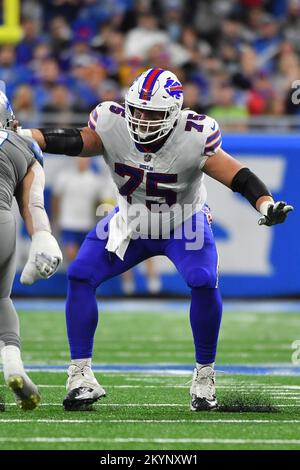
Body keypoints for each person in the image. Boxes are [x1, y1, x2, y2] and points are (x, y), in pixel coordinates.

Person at [19, 68, 293, 412]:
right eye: (138, 110)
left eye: (153, 113)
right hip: (131, 220)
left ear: (174, 113)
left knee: (203, 280)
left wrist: (264, 202)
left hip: (184, 221)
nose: (142, 120)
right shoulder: (111, 122)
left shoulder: (194, 134)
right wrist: (25, 135)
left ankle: (204, 375)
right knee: (80, 275)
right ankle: (81, 375)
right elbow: (75, 140)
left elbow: (237, 175)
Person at [0, 91, 62, 410]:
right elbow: (32, 204)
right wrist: (43, 237)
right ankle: (13, 366)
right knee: (1, 299)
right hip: (4, 224)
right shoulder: (22, 145)